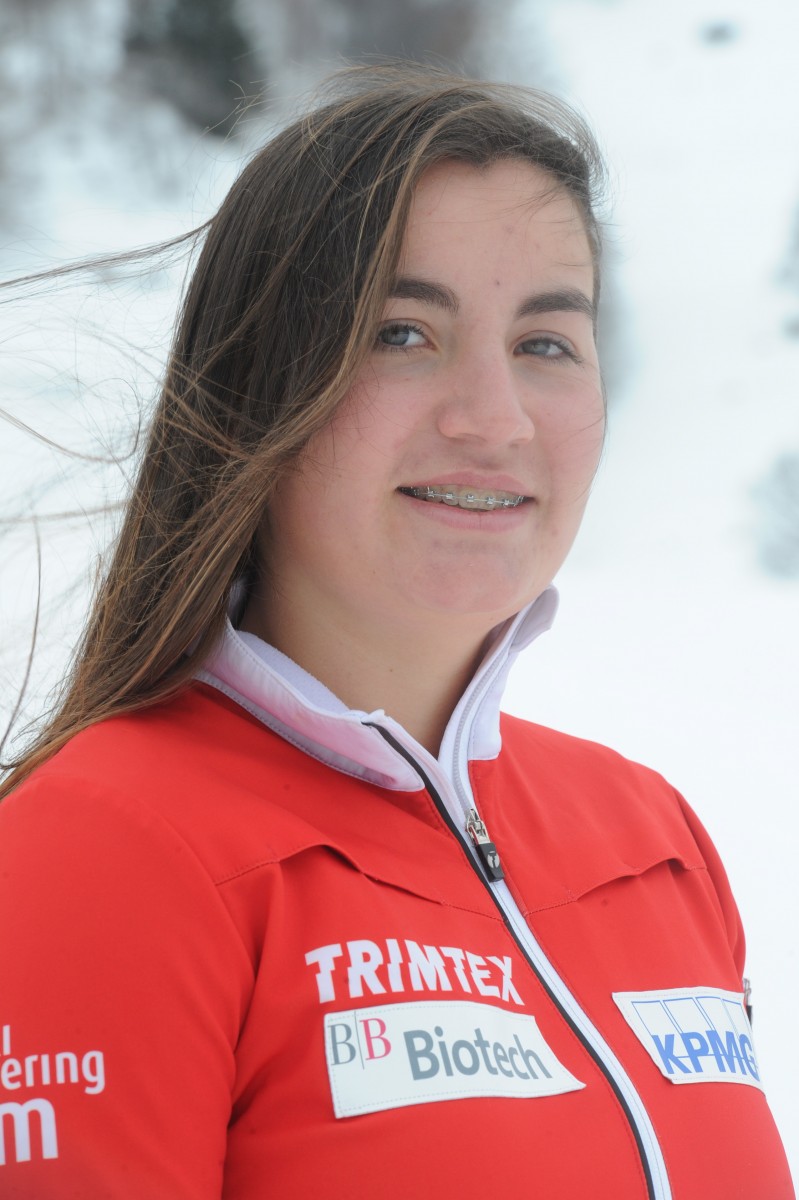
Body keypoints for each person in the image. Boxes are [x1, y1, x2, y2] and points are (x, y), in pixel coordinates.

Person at [0, 64, 793, 1200]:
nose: (493, 419)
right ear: (258, 388)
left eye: (545, 343)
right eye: (402, 333)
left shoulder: (649, 839)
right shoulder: (107, 848)